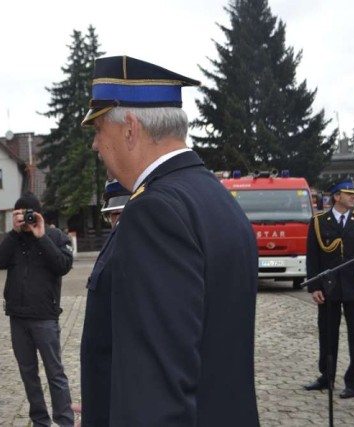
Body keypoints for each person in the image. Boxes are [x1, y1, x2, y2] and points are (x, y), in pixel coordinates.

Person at [79, 56, 259, 426]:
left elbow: (155, 390)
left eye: (98, 130)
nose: (96, 145)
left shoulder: (153, 213)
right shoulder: (215, 197)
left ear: (129, 128)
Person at [0, 192, 75, 427]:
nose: (25, 219)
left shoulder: (56, 236)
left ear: (38, 214)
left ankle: (64, 420)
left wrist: (41, 236)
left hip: (45, 317)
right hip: (18, 317)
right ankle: (40, 420)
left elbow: (63, 266)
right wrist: (14, 233)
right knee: (28, 374)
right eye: (20, 215)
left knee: (55, 373)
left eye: (29, 214)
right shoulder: (15, 240)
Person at [304, 180, 354, 399]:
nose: (353, 197)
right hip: (328, 286)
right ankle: (326, 377)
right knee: (327, 333)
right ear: (336, 196)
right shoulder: (319, 222)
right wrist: (314, 286)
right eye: (349, 194)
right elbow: (312, 257)